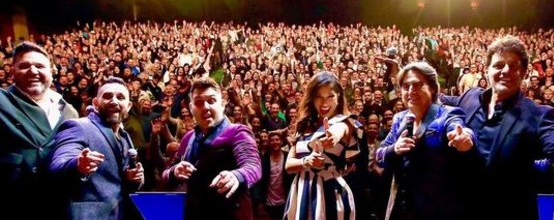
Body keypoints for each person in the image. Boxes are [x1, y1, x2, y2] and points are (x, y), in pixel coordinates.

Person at [441, 36, 554, 220]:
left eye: (513, 66)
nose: (505, 71)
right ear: (487, 69)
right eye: (498, 65)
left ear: (524, 72)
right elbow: (441, 100)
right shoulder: (469, 97)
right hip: (462, 210)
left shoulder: (538, 115)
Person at [376, 61, 479, 220]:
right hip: (402, 209)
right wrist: (394, 149)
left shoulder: (447, 115)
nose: (411, 91)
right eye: (406, 86)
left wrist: (465, 137)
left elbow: (458, 129)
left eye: (417, 85)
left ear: (432, 88)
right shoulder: (400, 119)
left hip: (439, 210)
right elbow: (380, 156)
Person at [162, 78, 261, 220]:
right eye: (199, 102)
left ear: (222, 104)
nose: (205, 107)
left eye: (211, 101)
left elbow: (253, 166)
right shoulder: (187, 138)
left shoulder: (238, 132)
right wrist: (175, 171)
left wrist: (236, 176)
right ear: (191, 108)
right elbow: (166, 173)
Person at [0, 41, 78, 219]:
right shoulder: (2, 101)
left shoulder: (68, 111)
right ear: (12, 71)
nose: (33, 71)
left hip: (59, 206)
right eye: (25, 66)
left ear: (52, 71)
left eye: (39, 66)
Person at [49, 77, 144, 220]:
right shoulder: (79, 126)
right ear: (95, 103)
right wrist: (78, 164)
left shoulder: (125, 136)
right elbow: (58, 164)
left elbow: (117, 180)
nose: (114, 101)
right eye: (107, 96)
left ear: (129, 105)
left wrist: (133, 178)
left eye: (120, 97)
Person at [283, 71, 363, 220]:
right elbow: (288, 165)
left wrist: (332, 137)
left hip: (328, 193)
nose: (324, 102)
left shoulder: (345, 122)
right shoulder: (303, 125)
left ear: (339, 97)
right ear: (312, 99)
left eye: (330, 96)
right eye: (319, 96)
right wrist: (305, 161)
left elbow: (338, 131)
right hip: (300, 191)